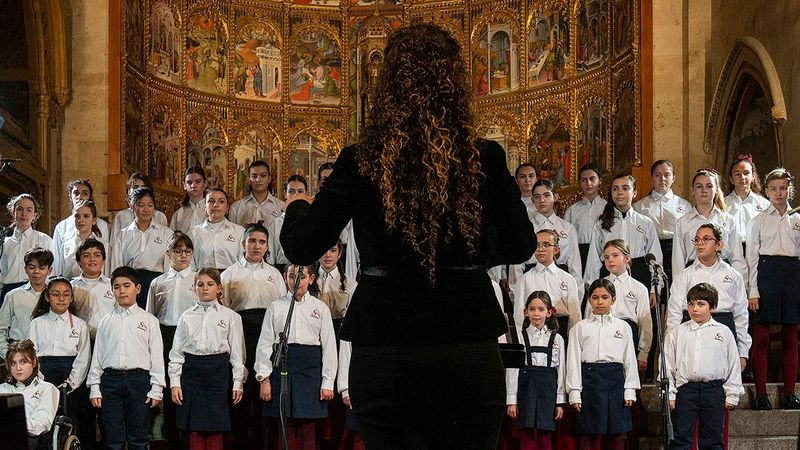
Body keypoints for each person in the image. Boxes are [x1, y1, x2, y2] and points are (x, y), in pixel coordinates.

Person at [279, 23, 535, 448]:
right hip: (465, 339)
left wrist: (299, 206)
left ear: (387, 85)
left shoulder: (360, 160)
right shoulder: (483, 156)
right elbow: (521, 244)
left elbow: (301, 244)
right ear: (455, 84)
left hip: (386, 342)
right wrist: (463, 255)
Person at [255, 264, 337, 450]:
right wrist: (264, 378)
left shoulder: (320, 308)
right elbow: (265, 344)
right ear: (285, 278)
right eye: (292, 276)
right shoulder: (275, 307)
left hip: (310, 368)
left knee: (307, 424)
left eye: (302, 277)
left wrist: (327, 382)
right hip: (283, 365)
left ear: (311, 279)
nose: (296, 281)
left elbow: (329, 346)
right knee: (284, 424)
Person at [87, 266, 166, 450]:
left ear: (137, 288)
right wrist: (94, 387)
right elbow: (98, 356)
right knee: (113, 439)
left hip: (139, 381)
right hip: (110, 381)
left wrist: (157, 387)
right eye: (116, 287)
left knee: (138, 437)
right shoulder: (106, 321)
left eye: (126, 285)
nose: (121, 291)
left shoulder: (149, 321)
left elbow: (156, 357)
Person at [169, 268, 245, 450]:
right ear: (193, 288)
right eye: (200, 284)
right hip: (192, 373)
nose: (205, 288)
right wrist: (175, 383)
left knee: (215, 425)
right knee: (193, 428)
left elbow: (237, 354)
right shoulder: (186, 317)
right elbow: (176, 354)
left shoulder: (231, 317)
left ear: (219, 288)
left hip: (218, 373)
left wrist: (238, 383)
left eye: (210, 284)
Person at [664, 283, 743, 450]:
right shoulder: (677, 332)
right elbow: (667, 364)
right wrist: (670, 393)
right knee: (680, 440)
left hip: (713, 391)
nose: (695, 309)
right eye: (691, 304)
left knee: (713, 441)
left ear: (712, 307)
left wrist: (732, 394)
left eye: (701, 304)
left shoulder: (723, 332)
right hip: (685, 390)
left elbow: (733, 364)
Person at [746, 167, 800, 410]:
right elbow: (751, 259)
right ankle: (760, 394)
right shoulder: (758, 220)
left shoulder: (797, 219)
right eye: (774, 189)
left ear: (790, 190)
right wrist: (753, 290)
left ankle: (789, 392)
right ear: (766, 191)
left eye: (783, 188)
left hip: (792, 275)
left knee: (791, 336)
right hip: (766, 274)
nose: (779, 193)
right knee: (762, 337)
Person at [566, 279, 639, 450]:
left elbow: (629, 359)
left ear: (613, 299)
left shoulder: (623, 327)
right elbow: (573, 362)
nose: (600, 302)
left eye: (605, 297)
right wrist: (575, 392)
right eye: (595, 297)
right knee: (588, 433)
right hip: (590, 380)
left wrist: (630, 390)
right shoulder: (579, 328)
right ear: (589, 299)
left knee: (617, 433)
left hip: (615, 380)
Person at [666, 224, 750, 366]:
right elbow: (674, 313)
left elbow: (741, 315)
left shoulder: (733, 275)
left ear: (718, 245)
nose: (700, 243)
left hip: (724, 324)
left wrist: (742, 352)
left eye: (706, 239)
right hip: (692, 325)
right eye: (697, 239)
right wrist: (671, 348)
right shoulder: (685, 275)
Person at [28, 276, 94, 449]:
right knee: (45, 420)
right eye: (56, 294)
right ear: (47, 297)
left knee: (73, 419)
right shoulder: (37, 323)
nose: (61, 298)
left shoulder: (80, 325)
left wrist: (72, 382)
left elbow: (83, 357)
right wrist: (41, 380)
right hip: (44, 375)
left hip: (71, 378)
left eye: (66, 294)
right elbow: (32, 355)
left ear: (71, 298)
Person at [147, 231, 198, 445]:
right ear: (169, 253)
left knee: (188, 390)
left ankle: (190, 439)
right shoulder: (157, 283)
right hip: (166, 335)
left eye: (188, 251)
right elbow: (150, 317)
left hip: (191, 338)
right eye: (178, 251)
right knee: (169, 391)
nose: (184, 255)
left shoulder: (198, 280)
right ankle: (170, 439)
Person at [506, 291, 566, 450]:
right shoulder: (519, 337)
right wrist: (512, 400)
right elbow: (513, 370)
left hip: (548, 391)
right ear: (525, 312)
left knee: (545, 435)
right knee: (526, 433)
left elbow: (561, 371)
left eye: (541, 309)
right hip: (527, 390)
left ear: (549, 312)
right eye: (532, 309)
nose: (536, 313)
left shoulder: (557, 339)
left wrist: (560, 401)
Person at [585, 174, 662, 291]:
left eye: (625, 188)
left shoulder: (645, 222)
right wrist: (592, 285)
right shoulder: (602, 222)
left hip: (639, 273)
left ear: (634, 193)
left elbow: (655, 255)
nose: (619, 192)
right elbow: (593, 258)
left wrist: (655, 288)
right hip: (610, 273)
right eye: (615, 189)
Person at [672, 168, 746, 281]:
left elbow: (737, 257)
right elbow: (678, 261)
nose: (704, 190)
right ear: (693, 190)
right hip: (693, 274)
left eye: (709, 186)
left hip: (723, 275)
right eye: (699, 186)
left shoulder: (728, 220)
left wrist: (741, 284)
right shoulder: (682, 223)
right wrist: (679, 286)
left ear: (716, 189)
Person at [594, 239, 652, 376]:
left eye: (615, 255)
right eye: (606, 257)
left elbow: (645, 323)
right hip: (603, 333)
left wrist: (643, 353)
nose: (610, 260)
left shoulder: (638, 288)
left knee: (628, 377)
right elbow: (589, 316)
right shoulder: (598, 286)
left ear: (626, 258)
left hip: (629, 335)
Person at [110, 186, 173, 308]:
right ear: (133, 207)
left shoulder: (166, 233)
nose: (146, 209)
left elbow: (169, 267)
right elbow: (116, 266)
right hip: (130, 284)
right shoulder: (122, 235)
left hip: (157, 284)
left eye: (150, 205)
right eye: (141, 205)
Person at [512, 230, 581, 342]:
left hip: (560, 328)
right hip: (533, 330)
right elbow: (519, 314)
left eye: (546, 245)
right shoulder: (524, 279)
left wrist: (574, 341)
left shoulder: (568, 279)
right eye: (537, 245)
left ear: (556, 249)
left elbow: (575, 315)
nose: (541, 249)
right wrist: (521, 340)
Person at [522, 179, 584, 298]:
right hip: (532, 278)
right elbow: (518, 265)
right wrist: (515, 291)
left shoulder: (567, 228)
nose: (542, 200)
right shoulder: (526, 228)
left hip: (560, 280)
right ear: (532, 200)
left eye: (546, 195)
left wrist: (578, 295)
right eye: (537, 197)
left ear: (555, 197)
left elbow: (575, 265)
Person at [633, 160, 691, 284]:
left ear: (673, 177)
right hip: (650, 249)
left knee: (674, 284)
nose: (662, 179)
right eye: (657, 175)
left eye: (667, 175)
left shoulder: (684, 205)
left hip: (676, 249)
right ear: (652, 177)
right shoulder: (640, 206)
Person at [0, 339, 59, 450]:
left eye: (23, 362)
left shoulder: (47, 389)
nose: (18, 368)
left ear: (34, 362)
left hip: (30, 440)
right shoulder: (2, 389)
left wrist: (14, 425)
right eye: (13, 363)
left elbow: (40, 424)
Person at [1, 194, 53, 304]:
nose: (24, 213)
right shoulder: (4, 243)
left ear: (34, 215)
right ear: (13, 213)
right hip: (8, 291)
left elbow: (52, 271)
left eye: (29, 210)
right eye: (19, 209)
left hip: (37, 291)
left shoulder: (44, 240)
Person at [0, 247, 53, 355]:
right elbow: (1, 328)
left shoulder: (55, 296)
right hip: (17, 349)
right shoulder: (13, 295)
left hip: (46, 352)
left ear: (49, 270)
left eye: (42, 268)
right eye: (32, 267)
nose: (36, 272)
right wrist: (6, 355)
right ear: (25, 269)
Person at [52, 179, 111, 264]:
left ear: (90, 196)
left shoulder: (102, 225)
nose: (80, 196)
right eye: (76, 193)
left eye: (85, 193)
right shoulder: (61, 227)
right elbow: (57, 258)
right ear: (70, 196)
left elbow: (105, 257)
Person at [188, 189, 245, 271]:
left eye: (221, 201)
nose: (215, 205)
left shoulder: (239, 232)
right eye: (211, 201)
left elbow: (243, 261)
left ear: (227, 208)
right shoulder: (193, 233)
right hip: (202, 279)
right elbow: (190, 263)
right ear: (205, 207)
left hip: (232, 280)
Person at [725, 154, 769, 255]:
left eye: (746, 173)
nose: (742, 177)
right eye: (737, 174)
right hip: (732, 251)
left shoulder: (764, 204)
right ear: (731, 179)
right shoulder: (723, 203)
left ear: (753, 176)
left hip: (757, 251)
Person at [565, 163, 606, 271]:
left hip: (603, 253)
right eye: (584, 180)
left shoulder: (607, 208)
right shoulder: (572, 210)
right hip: (579, 253)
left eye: (592, 179)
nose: (588, 183)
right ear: (580, 183)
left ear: (600, 180)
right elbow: (567, 239)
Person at [53, 200, 109, 278]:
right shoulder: (66, 245)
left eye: (86, 216)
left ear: (94, 220)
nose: (81, 220)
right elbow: (59, 271)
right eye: (77, 216)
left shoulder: (104, 245)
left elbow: (107, 272)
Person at [70, 239, 115, 336]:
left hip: (107, 336)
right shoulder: (71, 287)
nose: (92, 259)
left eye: (97, 255)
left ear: (103, 260)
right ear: (78, 261)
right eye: (86, 256)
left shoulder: (113, 285)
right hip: (78, 336)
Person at [268, 174, 309, 273]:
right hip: (282, 270)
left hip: (307, 271)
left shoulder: (312, 221)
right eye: (291, 191)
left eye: (300, 191)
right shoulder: (275, 224)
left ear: (306, 193)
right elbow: (271, 257)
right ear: (285, 194)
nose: (296, 195)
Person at [228, 160, 285, 228]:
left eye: (263, 176)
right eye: (254, 176)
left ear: (269, 179)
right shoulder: (236, 207)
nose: (258, 179)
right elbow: (232, 235)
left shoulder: (281, 207)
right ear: (249, 180)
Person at [110, 172, 169, 238]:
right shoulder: (121, 216)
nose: (139, 190)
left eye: (143, 187)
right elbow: (114, 240)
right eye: (136, 187)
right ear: (129, 191)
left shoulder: (160, 216)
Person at [317, 239, 356, 335]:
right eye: (323, 250)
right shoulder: (308, 281)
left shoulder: (350, 284)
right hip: (313, 331)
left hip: (339, 332)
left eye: (333, 250)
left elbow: (352, 317)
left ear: (339, 254)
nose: (328, 255)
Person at [171, 167, 209, 233]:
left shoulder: (211, 211)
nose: (193, 185)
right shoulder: (178, 214)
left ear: (205, 183)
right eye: (189, 182)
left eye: (198, 182)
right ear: (185, 186)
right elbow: (172, 239)